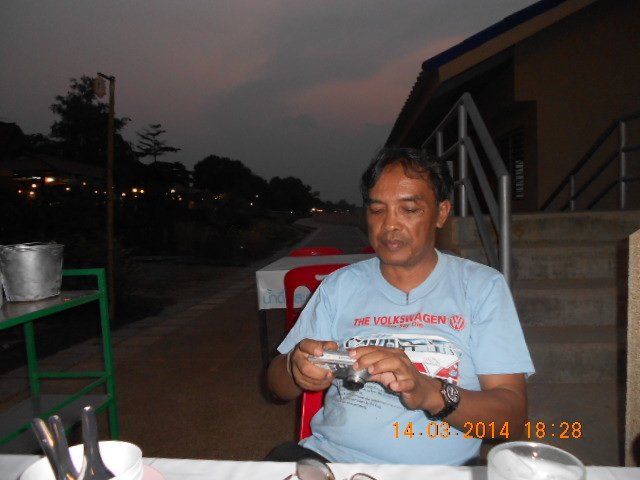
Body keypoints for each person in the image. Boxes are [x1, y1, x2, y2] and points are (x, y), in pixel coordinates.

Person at [266, 147, 534, 465]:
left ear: (441, 213)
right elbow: (276, 385)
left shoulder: (481, 287)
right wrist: (294, 367)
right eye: (377, 210)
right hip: (332, 461)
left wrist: (430, 392)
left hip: (438, 471)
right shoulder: (340, 286)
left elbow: (510, 421)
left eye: (409, 209)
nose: (389, 225)